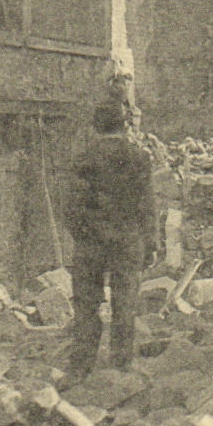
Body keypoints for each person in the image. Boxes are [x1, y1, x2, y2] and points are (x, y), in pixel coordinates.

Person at [65, 101, 155, 378]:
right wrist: (151, 243)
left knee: (86, 305)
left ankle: (81, 366)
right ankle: (121, 365)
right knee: (125, 303)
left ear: (95, 127)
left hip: (91, 241)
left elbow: (71, 206)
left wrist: (81, 235)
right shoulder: (139, 158)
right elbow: (147, 206)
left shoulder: (83, 159)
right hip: (128, 240)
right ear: (125, 125)